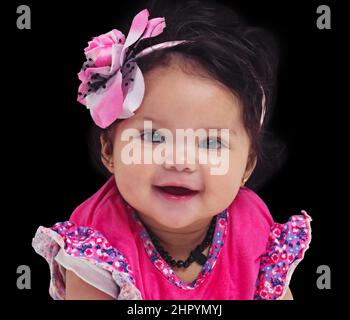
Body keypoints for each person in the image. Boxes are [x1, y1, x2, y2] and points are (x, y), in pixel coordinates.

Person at [32, 0, 312, 300]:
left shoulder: (254, 229)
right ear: (110, 150)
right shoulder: (98, 243)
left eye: (211, 142)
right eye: (154, 137)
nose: (180, 161)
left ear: (246, 166)